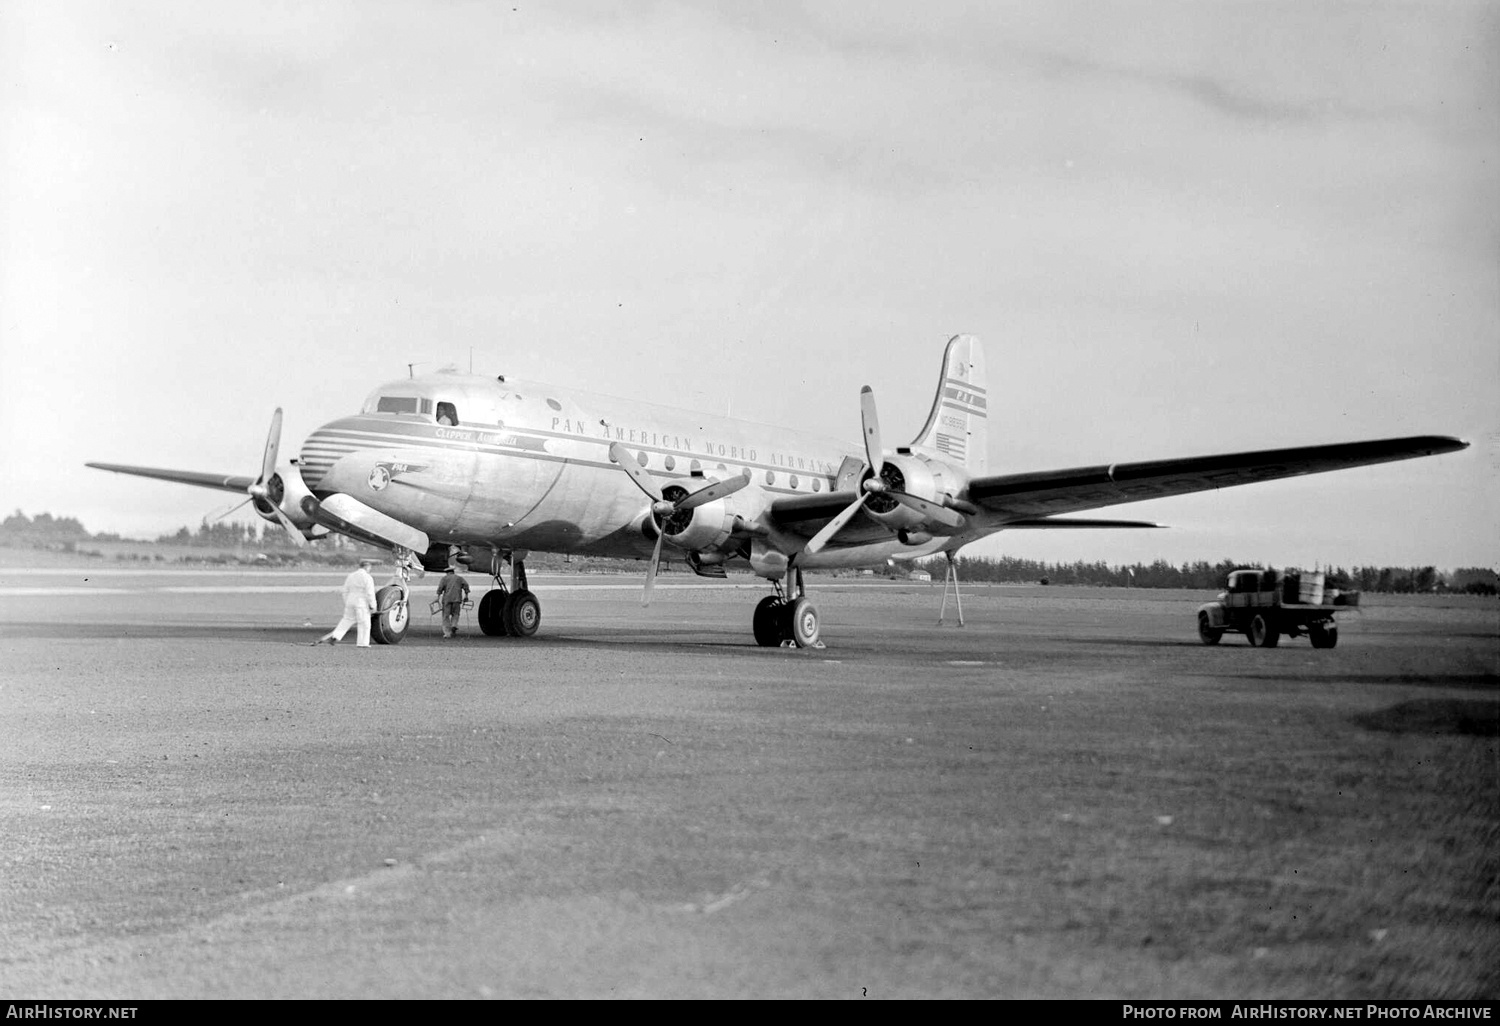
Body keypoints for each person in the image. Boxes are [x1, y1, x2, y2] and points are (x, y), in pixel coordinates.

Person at [312, 557, 380, 647]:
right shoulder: (367, 577)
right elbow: (370, 593)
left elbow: (345, 591)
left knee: (346, 620)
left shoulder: (351, 576)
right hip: (361, 602)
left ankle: (336, 636)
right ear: (367, 567)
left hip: (350, 601)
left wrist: (347, 602)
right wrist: (373, 605)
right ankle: (362, 643)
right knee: (364, 623)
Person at [436, 565, 470, 639]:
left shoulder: (444, 579)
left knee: (446, 616)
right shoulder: (459, 578)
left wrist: (438, 598)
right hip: (457, 599)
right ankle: (454, 625)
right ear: (453, 572)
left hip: (447, 600)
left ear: (447, 572)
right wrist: (466, 595)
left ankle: (447, 633)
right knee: (456, 614)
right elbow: (466, 585)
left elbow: (440, 589)